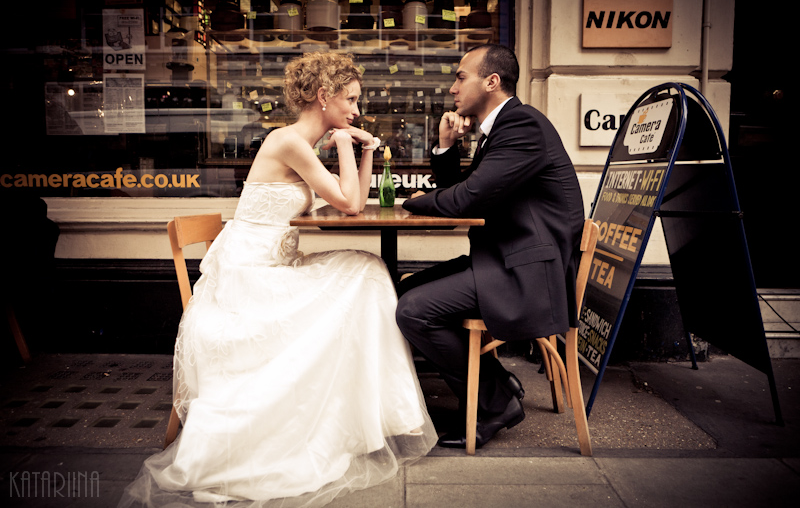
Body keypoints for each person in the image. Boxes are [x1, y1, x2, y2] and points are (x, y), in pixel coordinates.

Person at [119, 52, 437, 508]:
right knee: (366, 276)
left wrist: (365, 149)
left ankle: (368, 415)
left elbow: (355, 196)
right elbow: (349, 205)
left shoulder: (300, 146)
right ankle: (358, 416)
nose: (355, 110)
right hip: (250, 278)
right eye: (349, 99)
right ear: (323, 97)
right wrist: (347, 144)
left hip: (274, 269)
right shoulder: (287, 141)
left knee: (368, 270)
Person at [396, 44, 584, 450]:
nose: (452, 88)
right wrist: (446, 146)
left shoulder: (522, 126)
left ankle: (497, 404)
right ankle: (498, 383)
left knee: (414, 311)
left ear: (492, 81)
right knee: (403, 292)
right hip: (503, 258)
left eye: (461, 77)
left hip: (528, 272)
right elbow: (459, 194)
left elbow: (466, 200)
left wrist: (405, 202)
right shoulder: (500, 131)